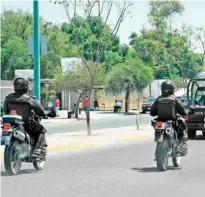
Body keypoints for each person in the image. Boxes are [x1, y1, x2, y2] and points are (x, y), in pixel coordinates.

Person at [3, 77, 55, 159]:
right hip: (26, 124)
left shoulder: (8, 98)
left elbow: (5, 110)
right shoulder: (30, 99)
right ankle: (37, 150)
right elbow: (40, 112)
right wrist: (48, 113)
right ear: (26, 86)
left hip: (12, 123)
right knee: (41, 130)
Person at [150, 80, 187, 156]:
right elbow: (183, 111)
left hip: (160, 121)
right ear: (172, 89)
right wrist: (183, 114)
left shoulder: (158, 99)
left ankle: (158, 150)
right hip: (173, 120)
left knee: (156, 127)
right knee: (183, 129)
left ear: (162, 89)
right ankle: (179, 147)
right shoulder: (174, 98)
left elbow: (152, 112)